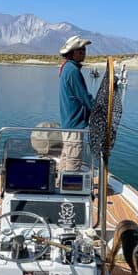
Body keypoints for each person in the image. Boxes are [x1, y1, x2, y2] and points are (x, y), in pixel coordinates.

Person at [58, 35, 94, 172]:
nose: (84, 52)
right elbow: (84, 97)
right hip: (74, 125)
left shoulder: (66, 67)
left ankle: (60, 181)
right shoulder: (73, 71)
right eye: (81, 50)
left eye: (84, 50)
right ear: (72, 53)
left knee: (66, 157)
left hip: (68, 123)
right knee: (73, 162)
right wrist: (99, 110)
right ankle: (68, 184)